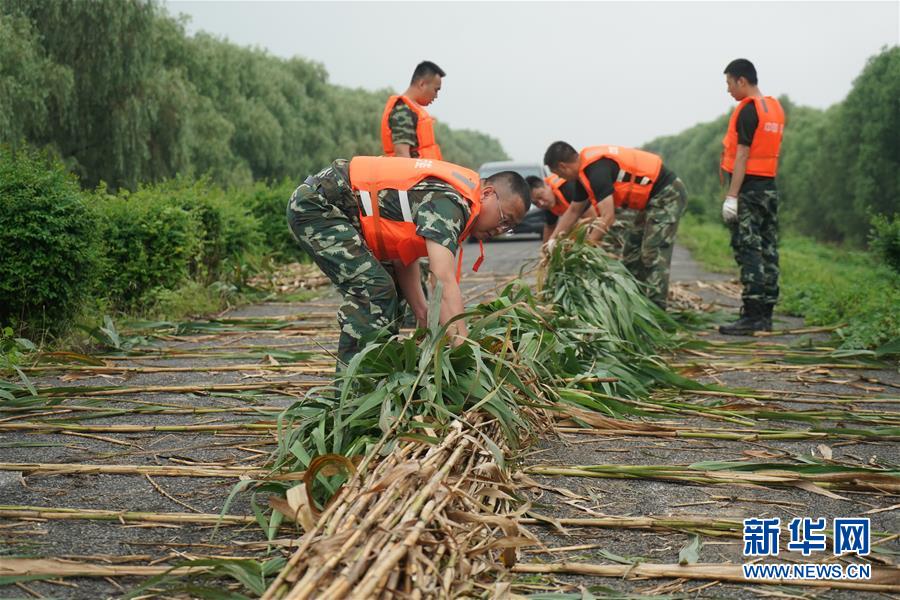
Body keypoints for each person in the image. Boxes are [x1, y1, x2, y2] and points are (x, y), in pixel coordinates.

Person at [287, 156, 531, 366]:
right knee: (374, 290)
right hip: (318, 206)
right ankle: (352, 389)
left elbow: (403, 255)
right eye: (504, 219)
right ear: (487, 194)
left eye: (509, 227)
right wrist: (464, 350)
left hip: (343, 214)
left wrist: (421, 312)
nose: (500, 229)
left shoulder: (458, 199)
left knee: (393, 290)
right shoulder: (451, 203)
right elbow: (442, 280)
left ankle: (378, 371)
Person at [543, 142, 687, 309]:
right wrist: (552, 241)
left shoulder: (596, 171)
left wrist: (583, 249)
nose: (560, 178)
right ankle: (636, 303)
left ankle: (657, 310)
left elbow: (608, 217)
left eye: (558, 173)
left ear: (563, 166)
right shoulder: (583, 176)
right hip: (648, 202)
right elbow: (574, 210)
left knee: (652, 253)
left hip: (667, 194)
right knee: (631, 253)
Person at [718, 59, 786, 335]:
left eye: (729, 83)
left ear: (742, 81)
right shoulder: (774, 109)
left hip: (749, 191)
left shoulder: (748, 110)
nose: (728, 90)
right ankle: (766, 314)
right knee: (769, 249)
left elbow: (743, 155)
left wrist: (732, 196)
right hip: (769, 189)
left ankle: (752, 316)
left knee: (749, 250)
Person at [526, 174, 635, 254]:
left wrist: (573, 242)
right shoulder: (549, 204)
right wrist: (546, 252)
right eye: (535, 203)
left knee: (617, 249)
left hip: (614, 212)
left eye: (541, 196)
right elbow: (550, 227)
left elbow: (591, 218)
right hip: (599, 221)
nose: (541, 203)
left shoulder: (568, 189)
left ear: (546, 186)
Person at [381, 61, 445, 159]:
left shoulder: (412, 111)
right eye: (435, 90)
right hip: (411, 169)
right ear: (422, 84)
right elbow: (402, 155)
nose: (436, 96)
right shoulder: (402, 110)